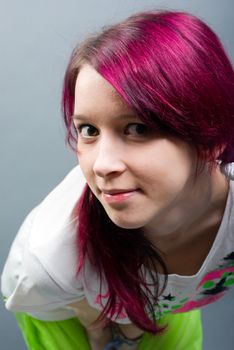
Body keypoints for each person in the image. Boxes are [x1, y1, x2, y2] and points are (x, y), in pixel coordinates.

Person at [1, 9, 234, 350]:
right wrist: (95, 318)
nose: (102, 166)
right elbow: (33, 293)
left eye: (138, 128)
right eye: (88, 130)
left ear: (211, 137)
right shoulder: (50, 260)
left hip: (158, 296)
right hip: (65, 305)